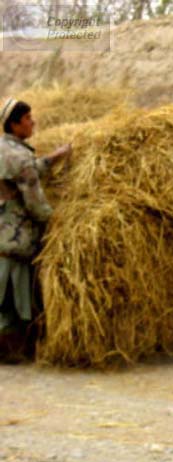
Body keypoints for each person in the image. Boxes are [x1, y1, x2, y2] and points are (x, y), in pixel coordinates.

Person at [0, 97, 71, 362]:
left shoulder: (4, 148)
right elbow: (35, 203)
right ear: (15, 124)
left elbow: (25, 172)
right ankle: (11, 350)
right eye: (28, 118)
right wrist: (59, 222)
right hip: (15, 236)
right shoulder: (20, 157)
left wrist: (51, 159)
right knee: (13, 300)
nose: (33, 123)